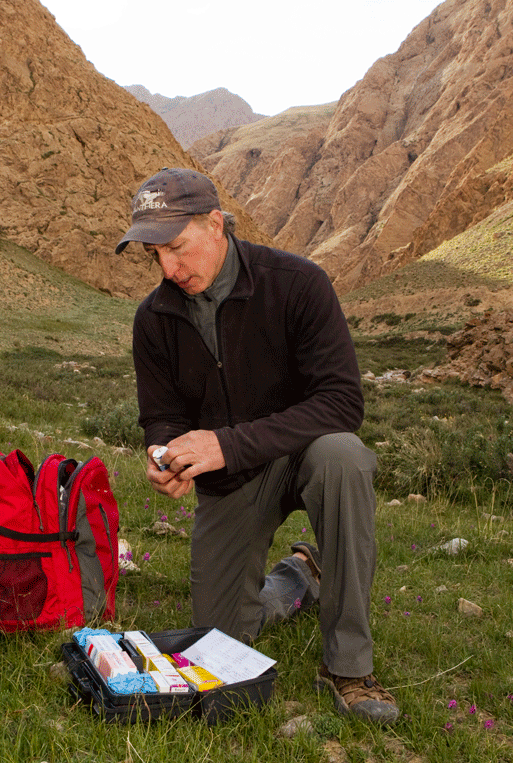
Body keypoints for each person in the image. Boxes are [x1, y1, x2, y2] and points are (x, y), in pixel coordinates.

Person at [117, 167, 399, 724]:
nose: (168, 268)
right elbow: (162, 416)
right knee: (223, 642)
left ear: (216, 224)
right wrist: (163, 457)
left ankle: (347, 665)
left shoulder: (297, 283)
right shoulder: (154, 318)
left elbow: (343, 402)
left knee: (343, 455)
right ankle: (299, 576)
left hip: (307, 455)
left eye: (177, 247)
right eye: (156, 254)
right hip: (235, 480)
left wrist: (228, 442)